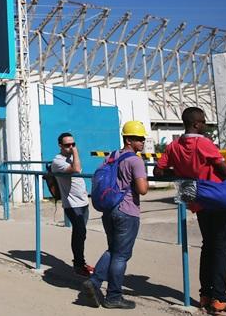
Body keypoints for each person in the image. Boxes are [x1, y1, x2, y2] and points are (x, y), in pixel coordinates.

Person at [154, 107, 226, 313]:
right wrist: (225, 164)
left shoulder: (174, 146)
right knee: (221, 248)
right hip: (218, 199)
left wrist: (180, 170)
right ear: (196, 124)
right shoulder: (204, 143)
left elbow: (158, 170)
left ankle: (205, 295)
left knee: (208, 246)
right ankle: (220, 299)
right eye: (203, 121)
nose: (205, 124)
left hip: (197, 200)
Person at [82, 121, 149, 310]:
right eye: (138, 138)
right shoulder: (135, 160)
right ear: (128, 140)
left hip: (110, 209)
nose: (142, 142)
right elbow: (142, 189)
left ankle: (94, 282)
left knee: (113, 250)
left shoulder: (112, 157)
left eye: (143, 138)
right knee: (121, 255)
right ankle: (113, 296)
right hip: (127, 212)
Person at [51, 132, 93, 277]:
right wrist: (75, 152)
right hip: (71, 203)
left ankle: (80, 262)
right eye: (68, 145)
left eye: (73, 144)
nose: (71, 147)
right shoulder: (58, 161)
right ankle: (78, 265)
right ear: (60, 146)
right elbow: (75, 169)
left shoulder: (72, 157)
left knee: (81, 233)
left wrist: (74, 153)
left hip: (83, 201)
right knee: (79, 232)